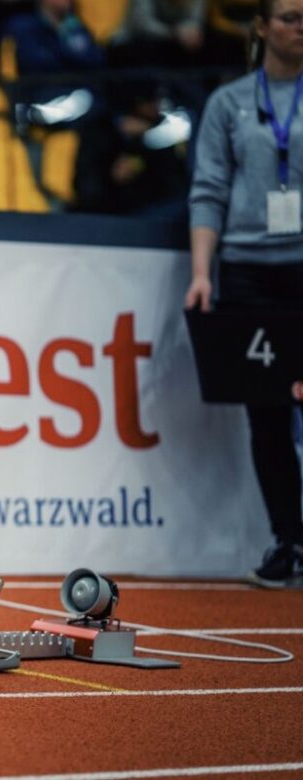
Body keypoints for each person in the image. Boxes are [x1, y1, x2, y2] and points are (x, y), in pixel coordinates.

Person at [186, 0, 303, 587]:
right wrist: (203, 272)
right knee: (270, 417)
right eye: (288, 16)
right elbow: (208, 189)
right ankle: (288, 540)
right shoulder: (229, 103)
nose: (299, 27)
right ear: (260, 27)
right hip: (251, 273)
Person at [72, 80, 190, 218]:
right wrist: (113, 174)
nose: (158, 106)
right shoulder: (100, 130)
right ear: (139, 103)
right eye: (154, 101)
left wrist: (146, 138)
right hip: (105, 214)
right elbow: (88, 187)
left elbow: (174, 181)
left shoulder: (163, 130)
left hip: (152, 211)